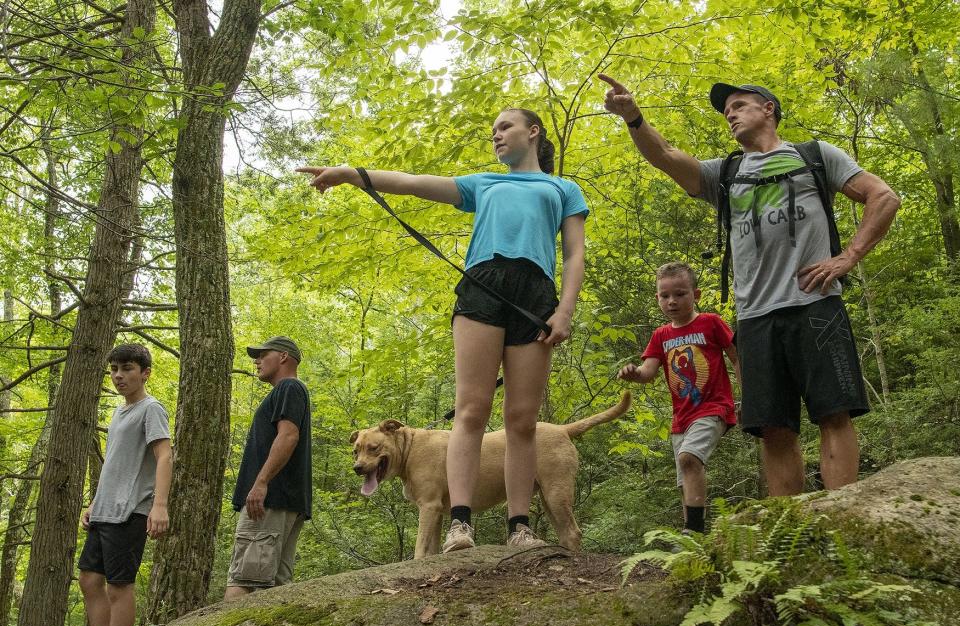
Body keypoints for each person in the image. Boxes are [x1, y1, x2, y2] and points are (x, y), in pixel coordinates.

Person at [297, 107, 588, 551]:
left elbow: (572, 255)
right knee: (471, 410)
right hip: (482, 288)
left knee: (522, 420)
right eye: (492, 130)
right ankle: (460, 525)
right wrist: (351, 174)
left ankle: (519, 527)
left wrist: (565, 311)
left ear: (532, 132)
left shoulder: (563, 188)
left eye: (504, 127)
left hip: (535, 297)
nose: (496, 135)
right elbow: (413, 182)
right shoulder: (483, 183)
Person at [600, 75, 901, 496]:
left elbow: (883, 196)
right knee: (774, 428)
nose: (730, 114)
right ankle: (790, 534)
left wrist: (848, 256)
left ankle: (841, 518)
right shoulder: (725, 174)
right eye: (727, 112)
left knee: (835, 414)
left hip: (817, 307)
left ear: (768, 109)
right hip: (755, 319)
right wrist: (633, 117)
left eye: (739, 105)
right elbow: (666, 155)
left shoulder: (814, 157)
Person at [618, 262, 739, 533]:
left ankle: (694, 530)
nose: (672, 301)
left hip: (713, 407)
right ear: (658, 298)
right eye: (665, 296)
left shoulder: (711, 323)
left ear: (695, 295)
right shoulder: (661, 335)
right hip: (681, 418)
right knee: (686, 477)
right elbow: (647, 372)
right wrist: (632, 373)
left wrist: (751, 396)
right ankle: (692, 543)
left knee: (688, 458)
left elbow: (735, 356)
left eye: (680, 294)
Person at [78, 344, 172, 626]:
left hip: (130, 511)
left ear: (145, 373)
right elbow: (115, 464)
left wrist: (159, 506)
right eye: (114, 370)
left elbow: (164, 456)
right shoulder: (119, 412)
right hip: (105, 510)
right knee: (90, 581)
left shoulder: (151, 408)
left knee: (119, 586)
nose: (119, 376)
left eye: (127, 369)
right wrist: (94, 503)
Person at [225, 336, 312, 600]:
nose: (256, 360)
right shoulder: (291, 390)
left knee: (243, 584)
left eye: (263, 354)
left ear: (284, 357)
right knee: (274, 588)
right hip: (283, 501)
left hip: (268, 502)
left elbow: (288, 436)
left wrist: (260, 482)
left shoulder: (288, 387)